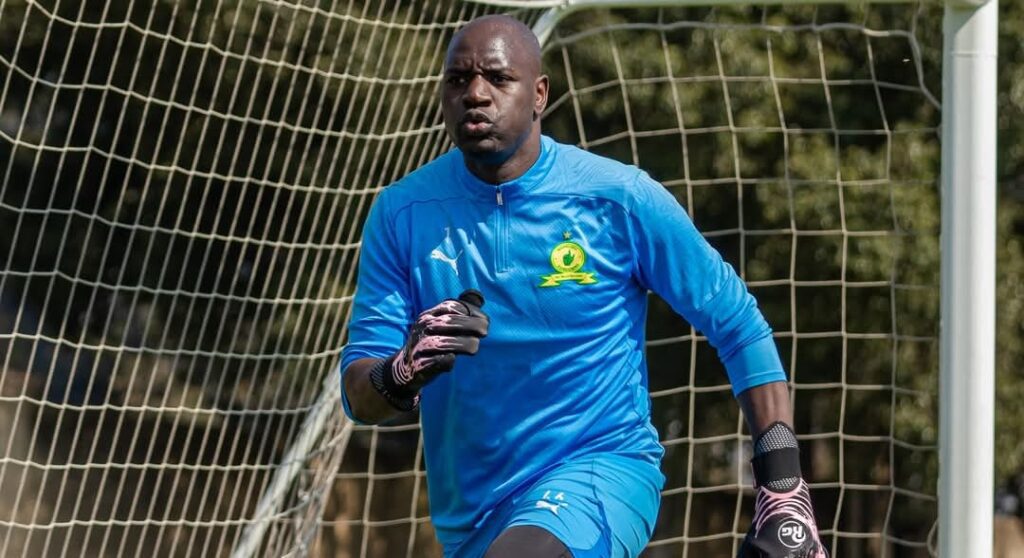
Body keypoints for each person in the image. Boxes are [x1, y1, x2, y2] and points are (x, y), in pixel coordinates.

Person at [339, 14, 827, 558]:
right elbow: (358, 394)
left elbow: (737, 324)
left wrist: (783, 485)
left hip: (603, 473)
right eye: (458, 80)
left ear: (539, 93)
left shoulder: (619, 198)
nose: (475, 93)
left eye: (497, 78)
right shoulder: (402, 213)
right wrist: (402, 371)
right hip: (473, 513)